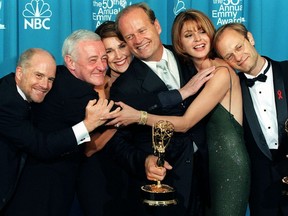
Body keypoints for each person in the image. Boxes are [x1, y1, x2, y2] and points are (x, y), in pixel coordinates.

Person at [106, 9, 251, 216]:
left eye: (142, 30)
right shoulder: (124, 86)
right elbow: (117, 144)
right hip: (167, 182)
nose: (138, 40)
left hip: (209, 175)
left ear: (156, 26)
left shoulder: (192, 59)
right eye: (130, 36)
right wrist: (144, 161)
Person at [3, 30, 120, 216]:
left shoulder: (59, 77)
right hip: (40, 192)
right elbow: (115, 114)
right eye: (92, 60)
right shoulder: (81, 95)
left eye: (104, 58)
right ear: (70, 62)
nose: (101, 66)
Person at [213, 22, 288, 216]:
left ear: (251, 39)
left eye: (239, 47)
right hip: (261, 192)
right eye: (229, 56)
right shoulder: (231, 91)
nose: (238, 57)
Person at [76, 21, 133, 216]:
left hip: (133, 174)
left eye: (122, 46)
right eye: (109, 51)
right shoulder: (92, 88)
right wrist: (120, 121)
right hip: (97, 176)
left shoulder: (145, 84)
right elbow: (89, 149)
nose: (118, 56)